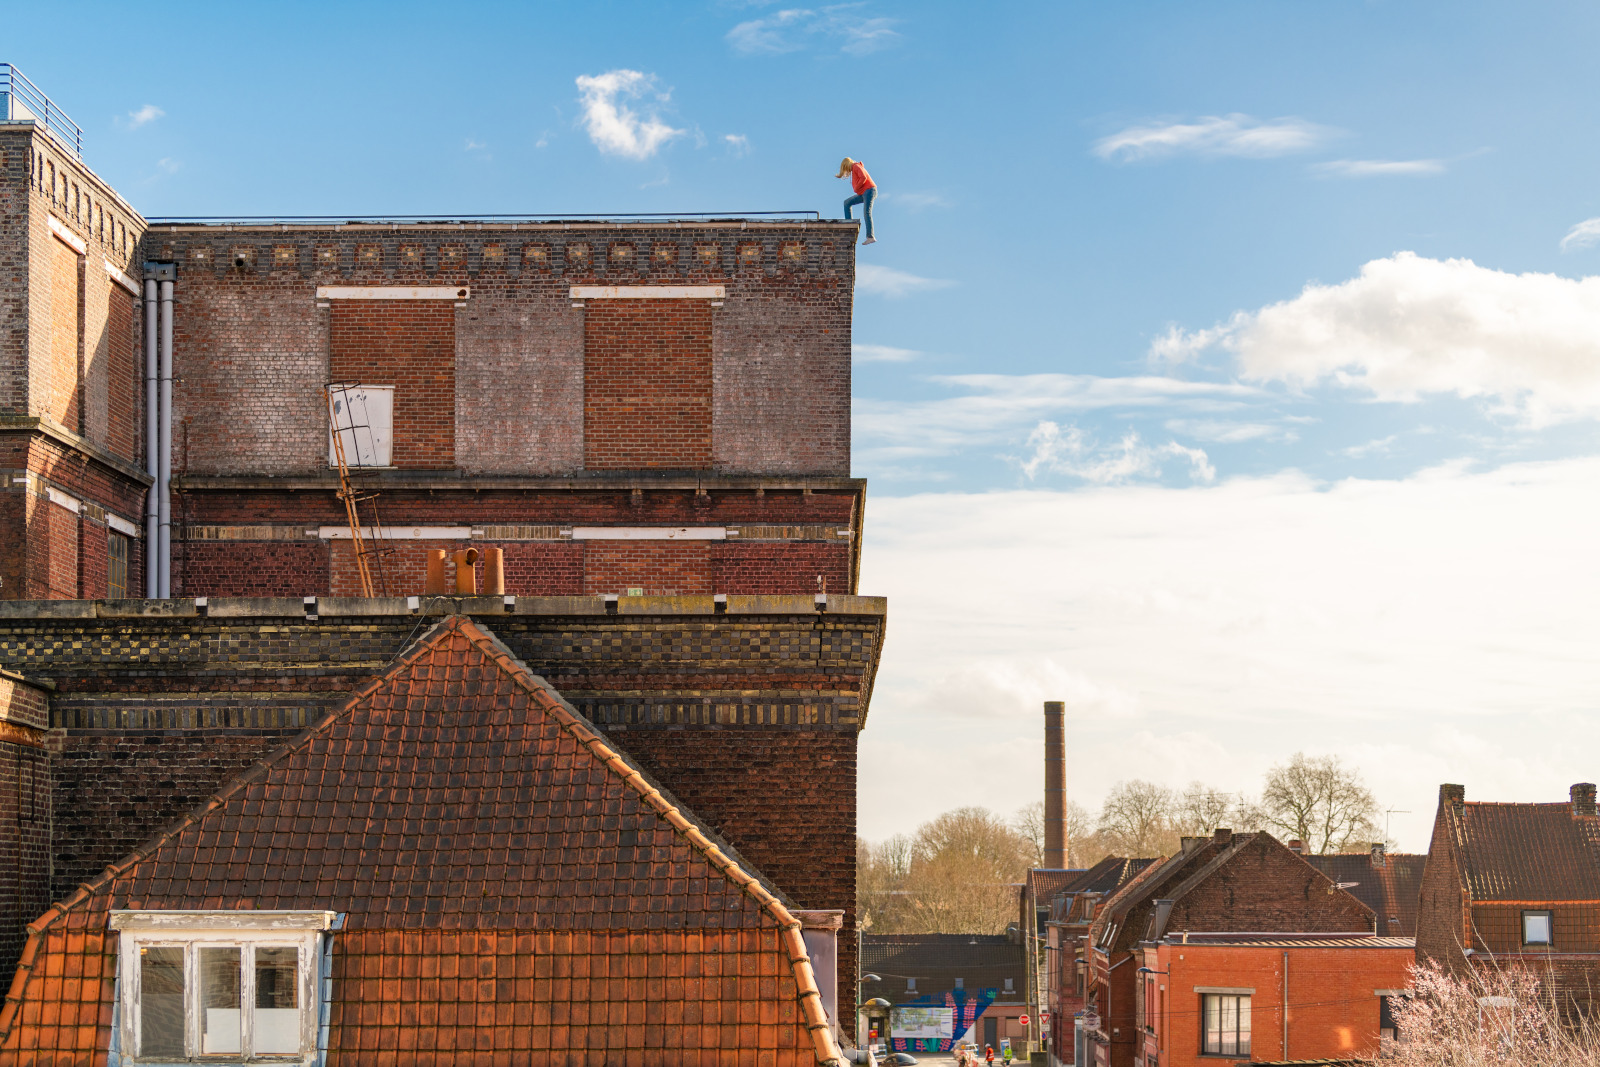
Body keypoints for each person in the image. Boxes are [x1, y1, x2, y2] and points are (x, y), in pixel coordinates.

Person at [837, 157, 877, 245]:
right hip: (864, 192)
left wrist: (856, 188)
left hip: (869, 190)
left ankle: (870, 236)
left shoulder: (855, 166)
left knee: (867, 212)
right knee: (847, 203)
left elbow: (863, 177)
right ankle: (849, 226)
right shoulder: (854, 168)